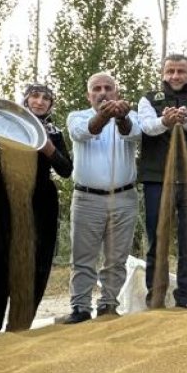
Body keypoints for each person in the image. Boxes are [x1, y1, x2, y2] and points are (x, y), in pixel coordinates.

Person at [0, 84, 73, 332]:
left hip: (40, 200)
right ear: (25, 100)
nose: (40, 102)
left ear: (51, 105)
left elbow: (66, 169)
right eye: (35, 97)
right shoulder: (4, 123)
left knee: (35, 261)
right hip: (4, 195)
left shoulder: (54, 132)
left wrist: (48, 148)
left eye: (46, 99)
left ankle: (20, 322)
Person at [60, 72, 141, 324]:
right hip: (87, 198)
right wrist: (105, 115)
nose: (103, 92)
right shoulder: (77, 117)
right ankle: (80, 307)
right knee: (83, 257)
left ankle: (108, 304)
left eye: (108, 88)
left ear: (117, 93)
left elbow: (134, 135)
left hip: (124, 196)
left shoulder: (131, 116)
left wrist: (122, 117)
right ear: (89, 95)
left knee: (116, 258)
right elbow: (85, 132)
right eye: (97, 88)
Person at [136, 55, 187, 308]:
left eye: (181, 71)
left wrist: (186, 119)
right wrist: (164, 121)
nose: (176, 76)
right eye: (170, 71)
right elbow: (147, 127)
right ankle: (155, 297)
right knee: (157, 238)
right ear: (163, 73)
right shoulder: (149, 99)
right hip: (157, 179)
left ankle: (184, 299)